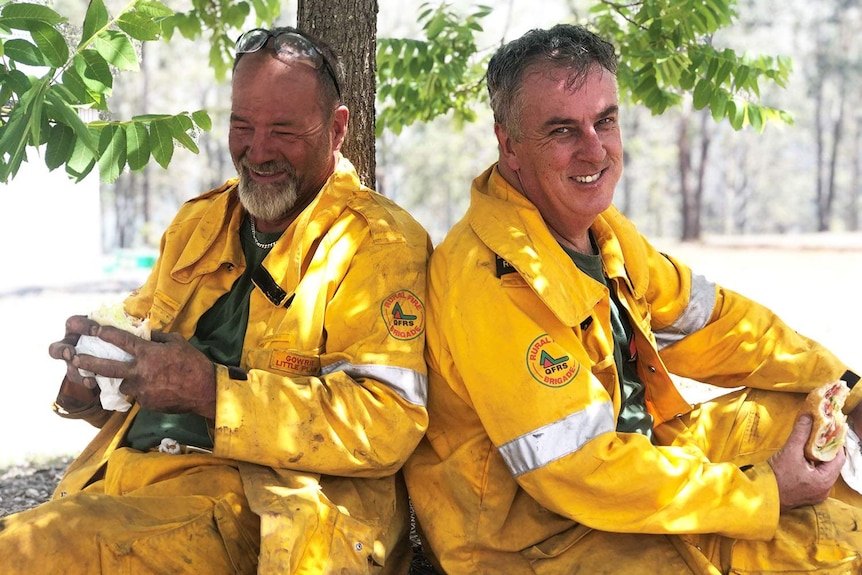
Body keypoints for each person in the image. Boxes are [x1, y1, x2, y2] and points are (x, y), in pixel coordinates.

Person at [403, 23, 862, 575]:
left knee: (807, 416)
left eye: (605, 120)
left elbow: (717, 323)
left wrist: (845, 388)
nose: (594, 149)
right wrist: (761, 493)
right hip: (543, 539)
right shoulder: (491, 279)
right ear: (509, 145)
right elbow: (578, 471)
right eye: (561, 131)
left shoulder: (602, 231)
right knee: (818, 555)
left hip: (641, 465)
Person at [0, 26, 430, 575]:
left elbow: (387, 424)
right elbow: (133, 369)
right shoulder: (198, 222)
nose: (257, 149)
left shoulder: (378, 243)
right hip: (127, 488)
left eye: (283, 130)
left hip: (265, 515)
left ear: (338, 129)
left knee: (25, 552)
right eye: (241, 125)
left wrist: (210, 392)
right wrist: (89, 377)